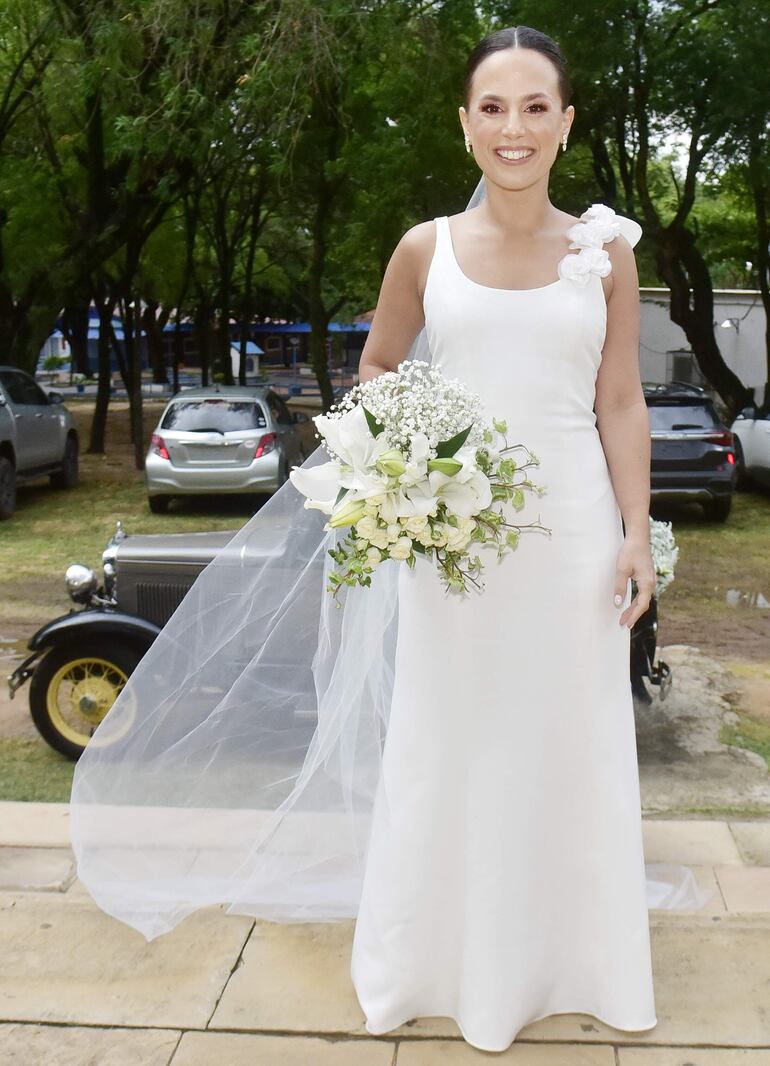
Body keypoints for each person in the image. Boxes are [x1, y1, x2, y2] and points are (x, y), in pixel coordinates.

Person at [69, 23, 711, 1055]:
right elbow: (375, 369)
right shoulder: (424, 248)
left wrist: (636, 533)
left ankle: (569, 960)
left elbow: (623, 401)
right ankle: (435, 963)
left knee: (563, 746)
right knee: (446, 744)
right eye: (491, 107)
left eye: (534, 106)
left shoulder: (606, 252)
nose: (513, 127)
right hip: (456, 546)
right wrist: (417, 462)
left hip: (571, 544)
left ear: (565, 122)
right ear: (464, 125)